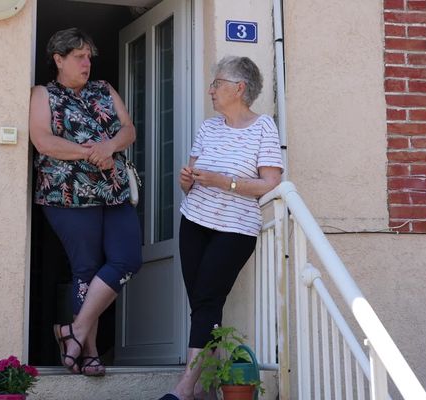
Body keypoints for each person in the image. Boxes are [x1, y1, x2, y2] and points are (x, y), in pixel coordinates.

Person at [159, 56, 283, 400]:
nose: (211, 90)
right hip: (194, 221)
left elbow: (270, 182)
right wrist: (188, 181)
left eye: (217, 84)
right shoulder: (208, 127)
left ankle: (185, 389)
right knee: (202, 305)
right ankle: (205, 390)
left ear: (239, 88)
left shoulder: (263, 128)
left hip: (234, 231)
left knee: (208, 301)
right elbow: (193, 180)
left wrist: (224, 182)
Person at [29, 28, 142, 377]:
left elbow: (128, 129)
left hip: (114, 190)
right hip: (67, 194)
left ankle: (73, 331)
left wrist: (110, 148)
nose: (86, 62)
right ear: (58, 60)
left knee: (128, 259)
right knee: (86, 269)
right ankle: (89, 351)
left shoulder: (104, 89)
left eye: (88, 56)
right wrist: (92, 153)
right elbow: (43, 141)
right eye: (78, 56)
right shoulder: (42, 94)